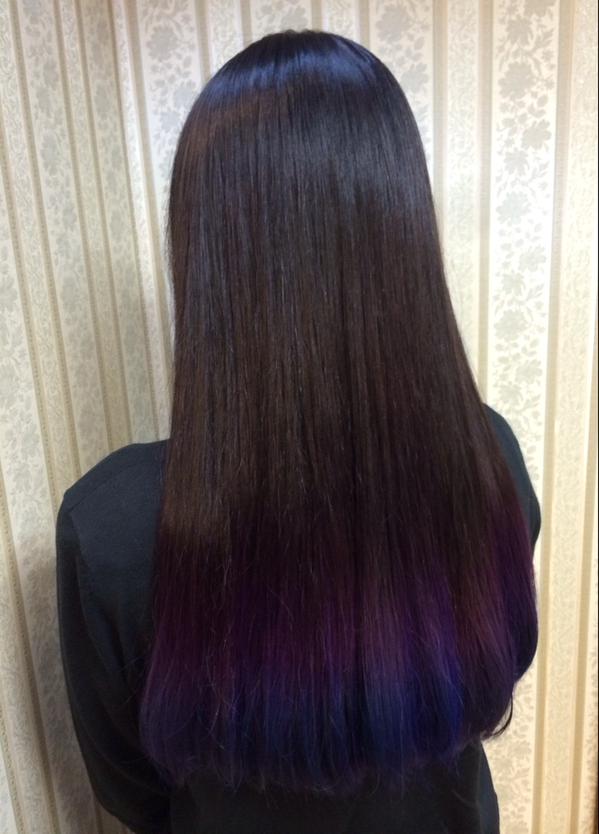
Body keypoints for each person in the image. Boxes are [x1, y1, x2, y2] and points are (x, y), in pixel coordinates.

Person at [55, 28, 541, 834]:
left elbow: (131, 789)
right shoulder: (490, 462)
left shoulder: (111, 526)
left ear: (206, 250)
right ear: (401, 234)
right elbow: (499, 663)